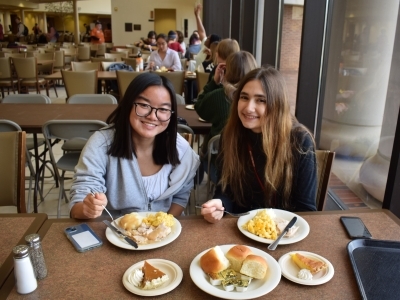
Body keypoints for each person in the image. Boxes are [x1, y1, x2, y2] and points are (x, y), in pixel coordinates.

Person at [69, 73, 200, 219]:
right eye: (144, 105)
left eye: (163, 109)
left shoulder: (180, 149)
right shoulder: (101, 143)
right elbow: (79, 201)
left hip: (163, 234)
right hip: (115, 233)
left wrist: (162, 227)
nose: (152, 116)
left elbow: (181, 196)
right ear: (128, 104)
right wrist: (88, 208)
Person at [200, 67, 317, 223]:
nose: (249, 108)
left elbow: (306, 210)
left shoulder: (300, 141)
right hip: (240, 229)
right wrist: (219, 204)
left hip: (285, 235)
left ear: (277, 105)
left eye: (261, 100)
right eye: (244, 97)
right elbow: (226, 192)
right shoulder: (230, 136)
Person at [195, 51, 258, 184]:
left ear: (227, 71)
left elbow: (199, 106)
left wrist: (214, 81)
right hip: (252, 170)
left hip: (217, 168)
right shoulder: (259, 102)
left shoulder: (219, 95)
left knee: (201, 152)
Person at [193, 4, 221, 70]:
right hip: (196, 74)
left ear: (212, 43)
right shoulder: (204, 46)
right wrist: (197, 16)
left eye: (208, 39)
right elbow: (202, 32)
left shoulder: (216, 55)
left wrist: (211, 54)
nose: (206, 39)